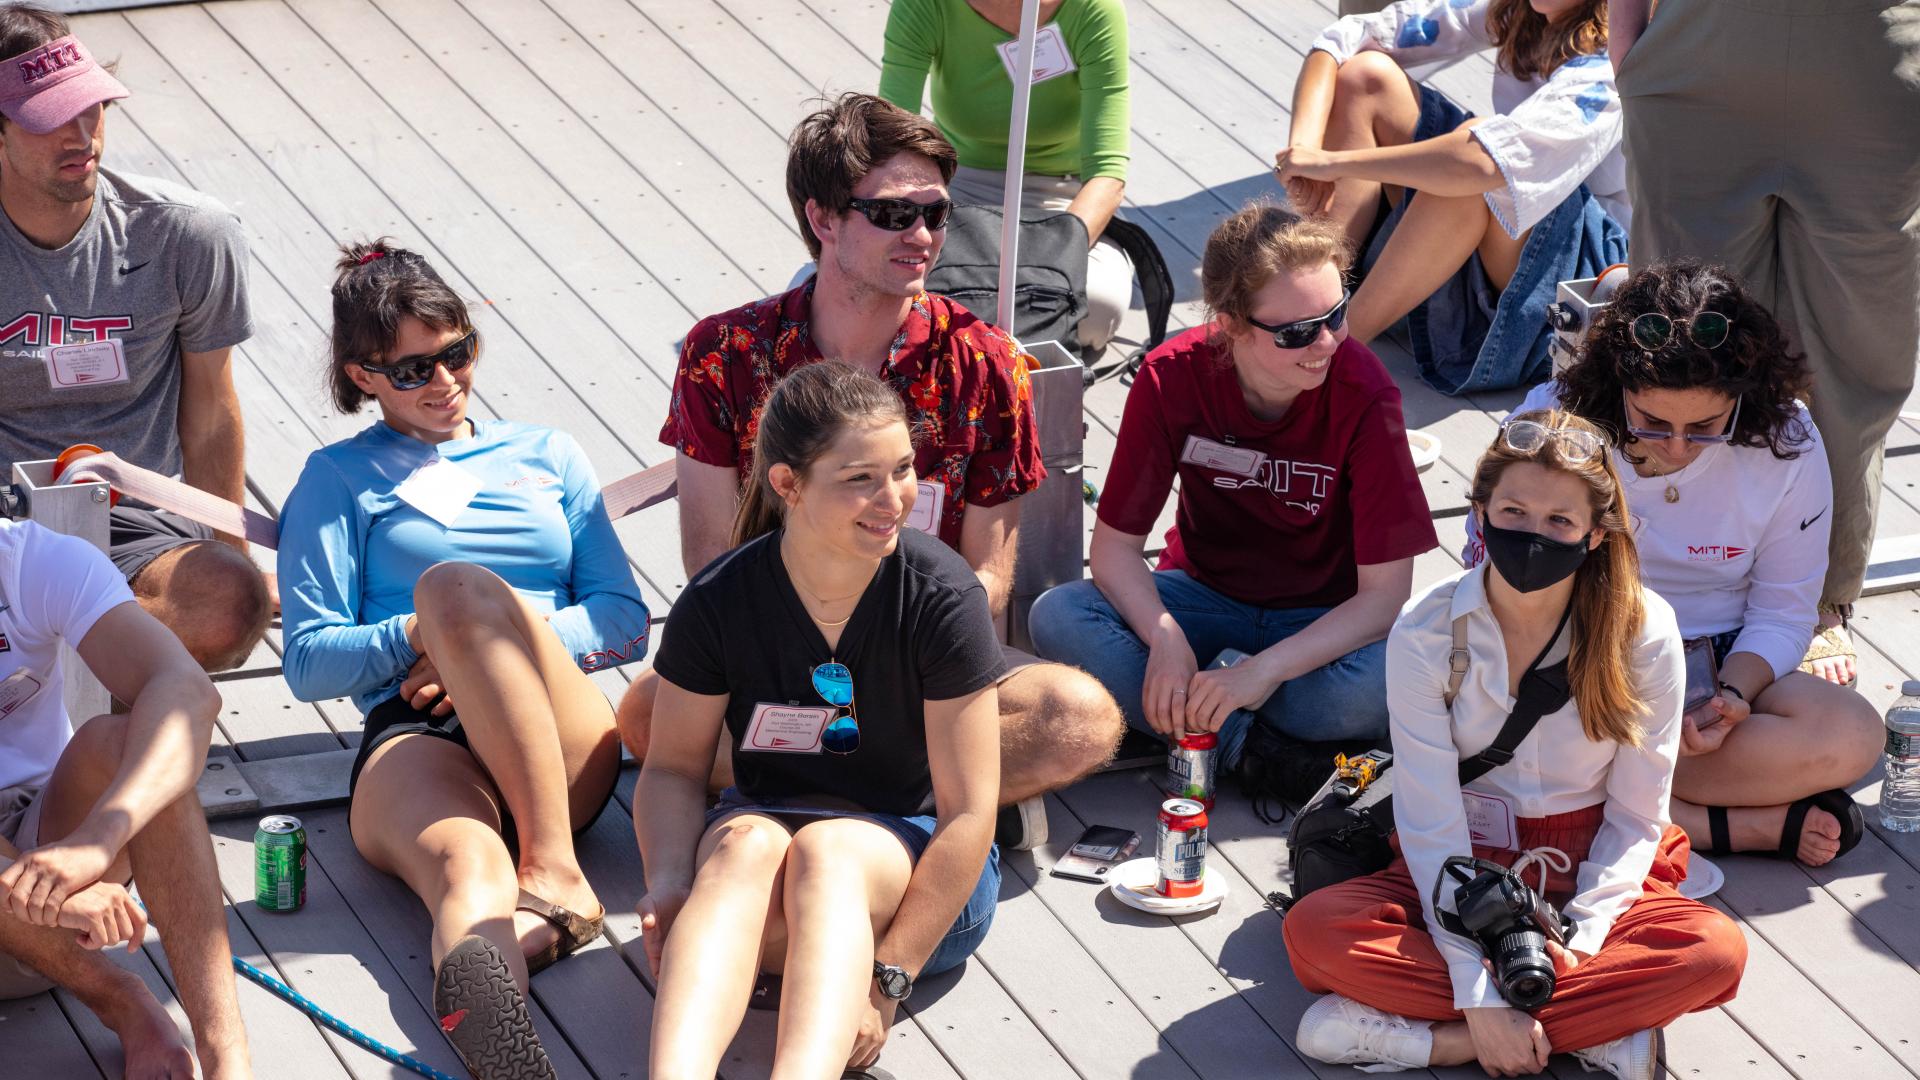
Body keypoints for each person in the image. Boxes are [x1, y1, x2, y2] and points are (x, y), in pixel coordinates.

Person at [620, 91, 1123, 850]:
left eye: (936, 213)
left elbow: (988, 573)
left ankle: (832, 793)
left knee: (1081, 717)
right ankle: (931, 797)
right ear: (823, 220)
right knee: (644, 714)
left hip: (921, 658)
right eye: (893, 214)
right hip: (775, 651)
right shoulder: (724, 353)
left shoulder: (984, 361)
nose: (923, 235)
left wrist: (893, 658)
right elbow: (711, 559)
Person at [278, 241, 651, 1080]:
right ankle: (499, 1032)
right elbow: (306, 663)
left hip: (557, 729)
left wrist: (488, 642)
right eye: (412, 370)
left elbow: (627, 622)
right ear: (362, 376)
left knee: (454, 588)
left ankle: (556, 867)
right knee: (463, 870)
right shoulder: (337, 478)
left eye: (456, 353)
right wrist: (423, 637)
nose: (443, 382)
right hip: (420, 729)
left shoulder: (547, 454)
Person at [1284, 410, 1746, 1079]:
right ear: (1479, 513)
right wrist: (1477, 989)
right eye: (1514, 511)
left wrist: (1581, 944)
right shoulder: (1427, 629)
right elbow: (1429, 816)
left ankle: (1431, 1041)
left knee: (1713, 952)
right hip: (1466, 854)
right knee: (1314, 932)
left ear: (1594, 534)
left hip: (1592, 852)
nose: (1535, 534)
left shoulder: (1643, 629)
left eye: (1560, 522)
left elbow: (1638, 815)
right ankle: (1588, 1032)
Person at [638, 361, 1002, 1080]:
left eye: (902, 469)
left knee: (830, 851)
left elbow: (969, 816)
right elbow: (673, 769)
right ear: (787, 485)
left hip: (916, 887)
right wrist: (671, 879)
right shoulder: (720, 599)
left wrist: (888, 981)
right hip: (761, 877)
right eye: (859, 478)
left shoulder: (940, 593)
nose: (894, 498)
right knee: (741, 846)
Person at [1464, 261, 1881, 865]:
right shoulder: (1554, 424)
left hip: (1720, 656)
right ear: (1616, 387)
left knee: (1853, 734)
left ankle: (1616, 803)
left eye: (1706, 427)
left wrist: (1732, 695)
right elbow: (1495, 573)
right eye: (1652, 423)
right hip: (1585, 649)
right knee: (1524, 715)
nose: (1678, 448)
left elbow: (1784, 610)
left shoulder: (1788, 440)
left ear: (1745, 395)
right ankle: (1724, 826)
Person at [1028, 203, 1436, 769]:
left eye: (1336, 315)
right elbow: (1115, 548)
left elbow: (1383, 598)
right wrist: (1165, 637)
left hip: (1320, 621)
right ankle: (1256, 751)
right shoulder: (1171, 376)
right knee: (1056, 614)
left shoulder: (1366, 392)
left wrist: (1262, 671)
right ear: (1230, 323)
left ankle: (1199, 726)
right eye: (1296, 333)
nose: (1327, 344)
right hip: (1202, 597)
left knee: (1384, 682)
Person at [1609, 0, 1920, 688]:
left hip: (1873, 63)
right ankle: (1672, 578)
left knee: (1856, 359)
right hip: (1697, 56)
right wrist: (1629, 50)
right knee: (1684, 340)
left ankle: (1815, 599)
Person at [0, 3, 270, 671]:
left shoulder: (187, 234)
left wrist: (227, 552)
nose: (82, 135)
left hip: (134, 520)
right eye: (48, 119)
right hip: (3, 521)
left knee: (230, 604)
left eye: (92, 107)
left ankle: (53, 671)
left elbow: (210, 409)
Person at [0, 518, 252, 1079]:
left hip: (36, 827)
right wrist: (39, 890)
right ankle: (121, 999)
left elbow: (186, 690)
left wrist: (99, 836)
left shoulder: (29, 559)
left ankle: (226, 1059)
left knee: (137, 747)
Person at [1274, 0, 1627, 396]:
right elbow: (1345, 41)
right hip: (1502, 224)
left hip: (1577, 277)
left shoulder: (1615, 55)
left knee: (1477, 158)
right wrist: (1302, 155)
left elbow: (1487, 164)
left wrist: (1335, 164)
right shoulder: (1516, 10)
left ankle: (1332, 352)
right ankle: (1306, 300)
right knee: (1365, 76)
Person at [879, 0, 1133, 352]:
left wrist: (1050, 258)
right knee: (887, 295)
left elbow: (1107, 176)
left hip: (1063, 195)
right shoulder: (926, 5)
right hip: (953, 185)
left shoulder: (1093, 8)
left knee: (1097, 308)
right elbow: (891, 147)